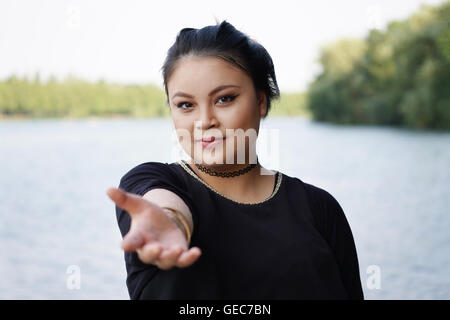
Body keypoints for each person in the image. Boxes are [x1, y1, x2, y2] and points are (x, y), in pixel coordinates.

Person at [106, 20, 364, 300]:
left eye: (224, 99)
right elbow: (164, 205)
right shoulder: (153, 182)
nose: (205, 121)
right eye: (185, 105)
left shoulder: (320, 209)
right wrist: (171, 224)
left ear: (261, 101)